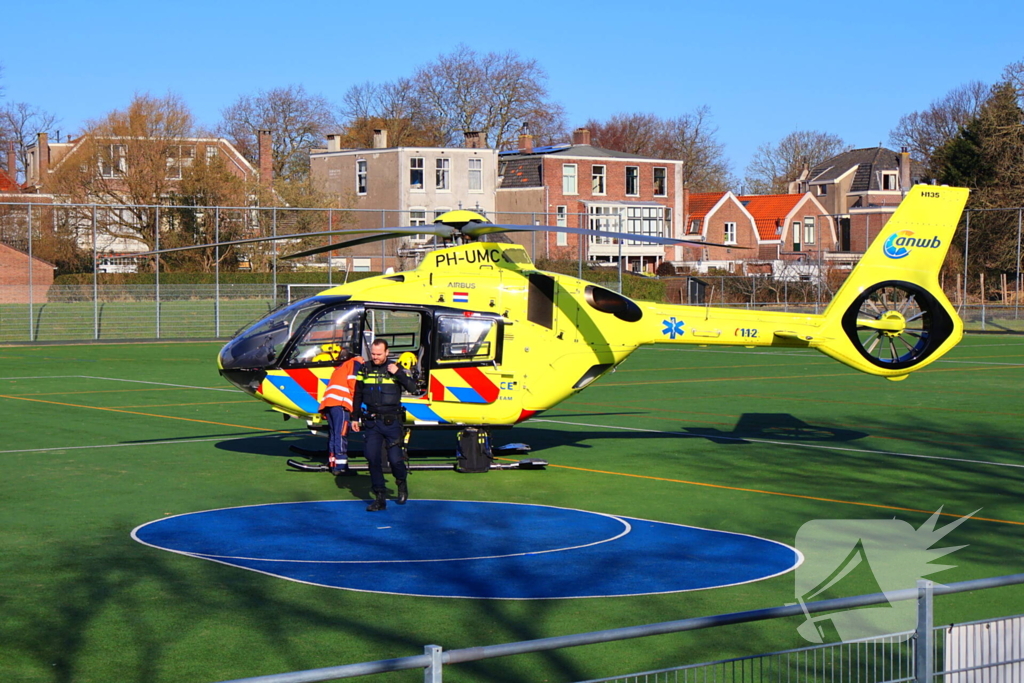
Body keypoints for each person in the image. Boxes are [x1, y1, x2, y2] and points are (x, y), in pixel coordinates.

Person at [352, 339, 418, 511]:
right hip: (372, 422)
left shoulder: (396, 369)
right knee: (372, 458)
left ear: (387, 352)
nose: (375, 357)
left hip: (392, 422)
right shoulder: (364, 368)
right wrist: (354, 417)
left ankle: (401, 483)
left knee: (395, 460)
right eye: (373, 354)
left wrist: (399, 373)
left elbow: (413, 388)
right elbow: (357, 394)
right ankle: (380, 498)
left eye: (379, 354)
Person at [317, 345, 363, 476]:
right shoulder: (356, 363)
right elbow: (353, 384)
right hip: (341, 404)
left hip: (329, 404)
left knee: (334, 434)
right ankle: (341, 467)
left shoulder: (340, 367)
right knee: (341, 434)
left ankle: (332, 463)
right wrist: (357, 405)